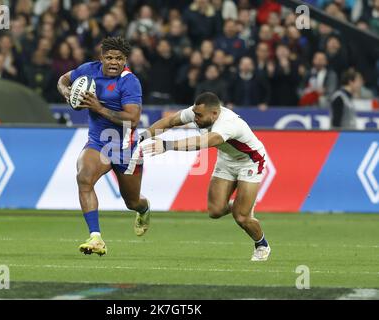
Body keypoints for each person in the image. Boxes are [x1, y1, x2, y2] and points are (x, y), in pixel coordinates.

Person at [140, 92, 271, 261]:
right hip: (226, 159)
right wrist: (142, 137)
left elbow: (203, 142)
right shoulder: (198, 112)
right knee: (215, 211)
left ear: (214, 114)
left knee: (242, 217)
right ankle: (243, 203)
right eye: (195, 114)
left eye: (199, 116)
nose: (195, 119)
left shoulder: (228, 124)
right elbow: (170, 121)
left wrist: (167, 145)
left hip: (250, 162)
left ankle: (262, 245)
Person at [57, 37, 150, 256]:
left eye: (119, 58)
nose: (114, 62)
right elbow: (62, 80)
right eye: (109, 57)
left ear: (125, 60)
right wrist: (68, 94)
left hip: (126, 148)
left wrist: (99, 108)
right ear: (102, 58)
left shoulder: (130, 82)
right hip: (99, 142)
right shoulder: (88, 70)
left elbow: (132, 119)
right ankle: (96, 237)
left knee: (132, 201)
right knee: (84, 177)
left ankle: (144, 209)